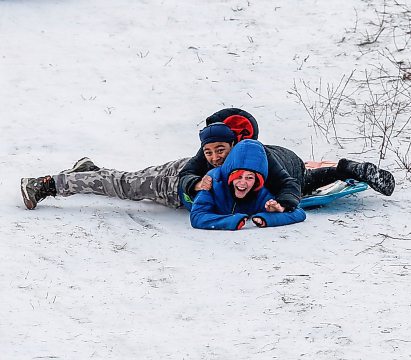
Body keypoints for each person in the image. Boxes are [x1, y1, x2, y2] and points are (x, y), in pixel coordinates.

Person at [20, 108, 395, 211]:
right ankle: (55, 183)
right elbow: (188, 176)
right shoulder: (205, 162)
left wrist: (288, 203)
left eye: (223, 151)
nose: (216, 157)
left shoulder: (262, 159)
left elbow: (295, 184)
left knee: (313, 178)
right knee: (126, 185)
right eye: (211, 152)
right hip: (171, 184)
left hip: (291, 164)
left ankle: (354, 166)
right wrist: (190, 184)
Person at [190, 139, 306, 230]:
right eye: (238, 176)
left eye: (249, 177)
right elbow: (197, 216)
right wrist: (230, 221)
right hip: (182, 186)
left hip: (287, 158)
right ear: (230, 176)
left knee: (306, 180)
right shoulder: (213, 182)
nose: (243, 182)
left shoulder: (261, 192)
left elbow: (299, 212)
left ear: (257, 180)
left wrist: (273, 214)